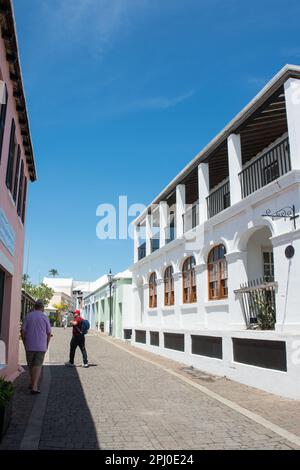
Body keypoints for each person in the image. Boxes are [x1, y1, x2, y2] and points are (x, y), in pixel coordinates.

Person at [21, 300, 52, 395]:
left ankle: (32, 383)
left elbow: (22, 331)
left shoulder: (28, 316)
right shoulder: (44, 317)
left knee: (30, 365)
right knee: (37, 365)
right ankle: (34, 386)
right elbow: (49, 333)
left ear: (34, 306)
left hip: (29, 345)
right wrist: (46, 344)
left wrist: (24, 341)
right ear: (42, 308)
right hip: (41, 346)